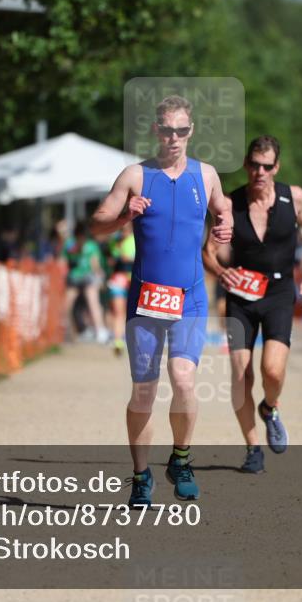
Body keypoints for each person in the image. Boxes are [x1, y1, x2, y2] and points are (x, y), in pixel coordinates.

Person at [89, 95, 232, 506]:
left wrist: (224, 228)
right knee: (144, 393)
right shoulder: (135, 175)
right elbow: (96, 224)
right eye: (167, 130)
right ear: (156, 130)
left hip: (189, 299)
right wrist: (124, 216)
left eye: (181, 130)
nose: (174, 138)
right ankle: (140, 476)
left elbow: (224, 210)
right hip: (146, 301)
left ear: (191, 131)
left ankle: (181, 460)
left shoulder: (206, 175)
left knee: (184, 381)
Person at [202, 135, 302, 474]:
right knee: (241, 375)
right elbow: (208, 252)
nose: (260, 172)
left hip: (279, 294)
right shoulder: (230, 205)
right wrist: (221, 272)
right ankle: (253, 448)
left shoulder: (294, 198)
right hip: (240, 297)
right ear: (246, 164)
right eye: (254, 165)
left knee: (272, 370)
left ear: (276, 167)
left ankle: (269, 407)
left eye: (267, 166)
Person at [62, 224, 109, 343]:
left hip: (88, 277)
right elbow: (63, 261)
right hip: (75, 277)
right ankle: (65, 331)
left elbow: (95, 264)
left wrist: (100, 278)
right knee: (67, 304)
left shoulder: (89, 245)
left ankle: (100, 330)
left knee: (93, 302)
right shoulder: (70, 245)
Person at [106, 224, 136, 356]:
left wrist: (129, 259)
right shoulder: (114, 242)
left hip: (134, 280)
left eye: (126, 229)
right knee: (118, 312)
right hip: (118, 279)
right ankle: (118, 341)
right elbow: (109, 260)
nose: (123, 231)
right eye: (121, 229)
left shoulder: (136, 240)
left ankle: (133, 341)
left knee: (134, 313)